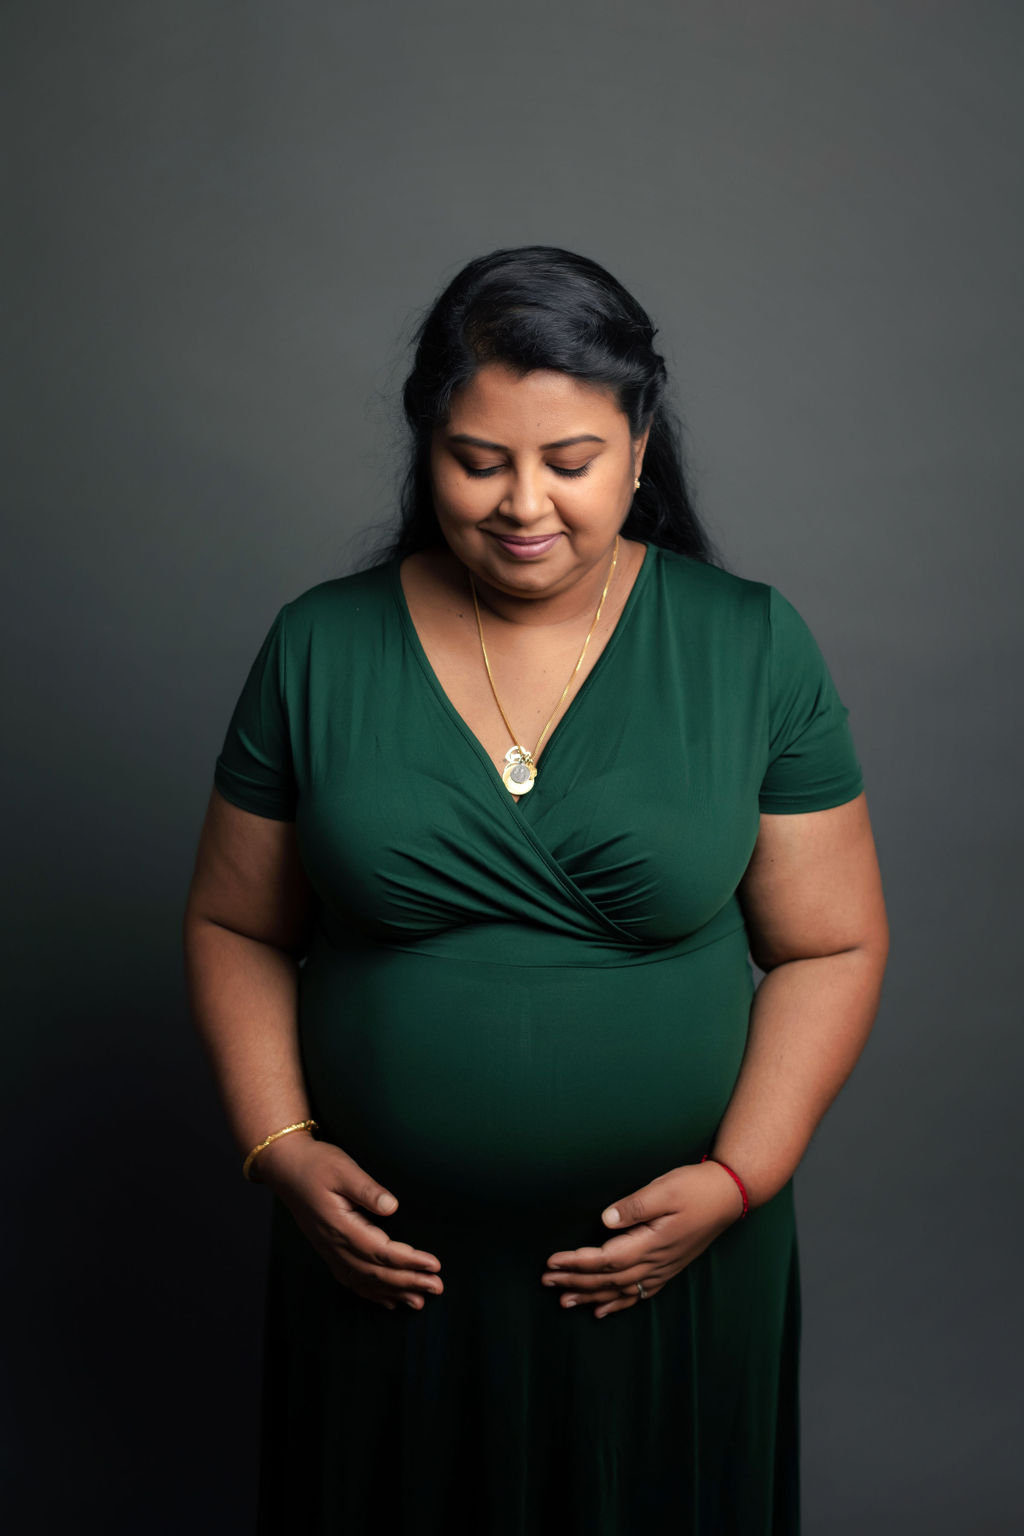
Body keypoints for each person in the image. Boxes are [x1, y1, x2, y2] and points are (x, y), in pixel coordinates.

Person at [183, 245, 889, 1536]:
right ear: (426, 445)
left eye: (568, 462)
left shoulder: (748, 645)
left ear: (636, 445)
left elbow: (832, 946)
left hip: (673, 1284)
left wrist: (739, 1178)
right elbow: (234, 921)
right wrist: (279, 1149)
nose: (523, 503)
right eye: (477, 459)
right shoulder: (318, 646)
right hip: (389, 1288)